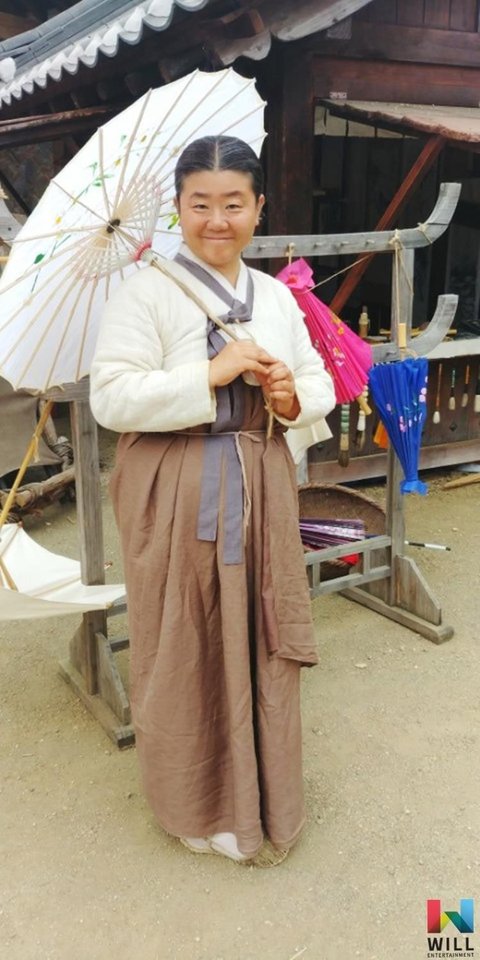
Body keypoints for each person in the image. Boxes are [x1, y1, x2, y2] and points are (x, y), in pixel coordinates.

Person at [89, 135, 335, 865]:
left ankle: (265, 802)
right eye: (200, 204)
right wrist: (210, 373)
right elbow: (111, 397)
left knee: (260, 633)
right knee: (185, 640)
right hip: (177, 490)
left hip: (260, 483)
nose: (217, 220)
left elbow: (319, 381)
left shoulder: (277, 297)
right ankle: (196, 806)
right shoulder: (146, 292)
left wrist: (289, 396)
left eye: (234, 204)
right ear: (178, 208)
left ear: (259, 209)